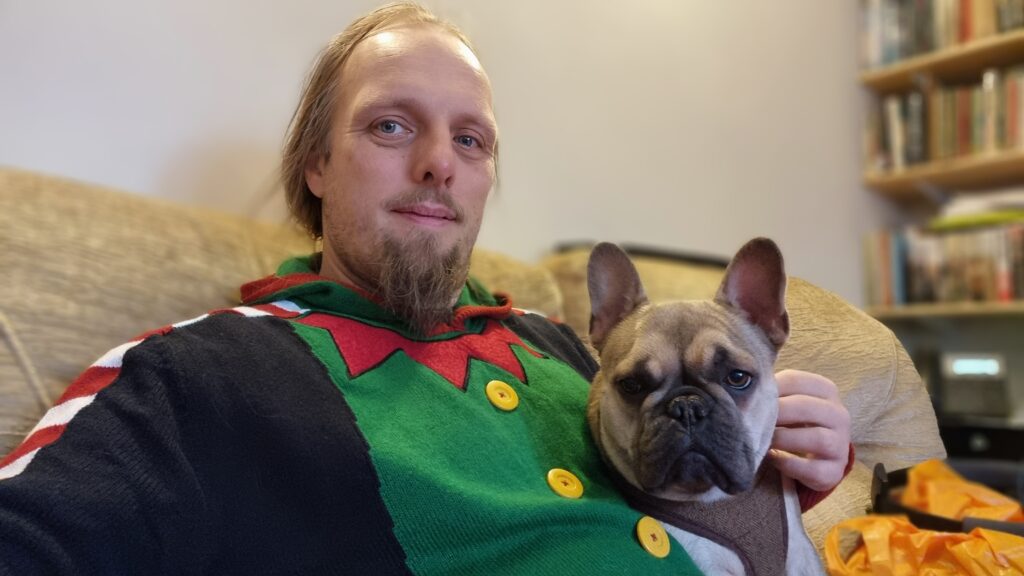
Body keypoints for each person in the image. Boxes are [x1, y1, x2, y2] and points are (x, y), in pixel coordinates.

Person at [0, 3, 850, 574]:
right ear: (318, 166)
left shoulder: (567, 343)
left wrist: (807, 451)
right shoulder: (197, 372)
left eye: (472, 140)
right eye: (391, 124)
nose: (440, 160)